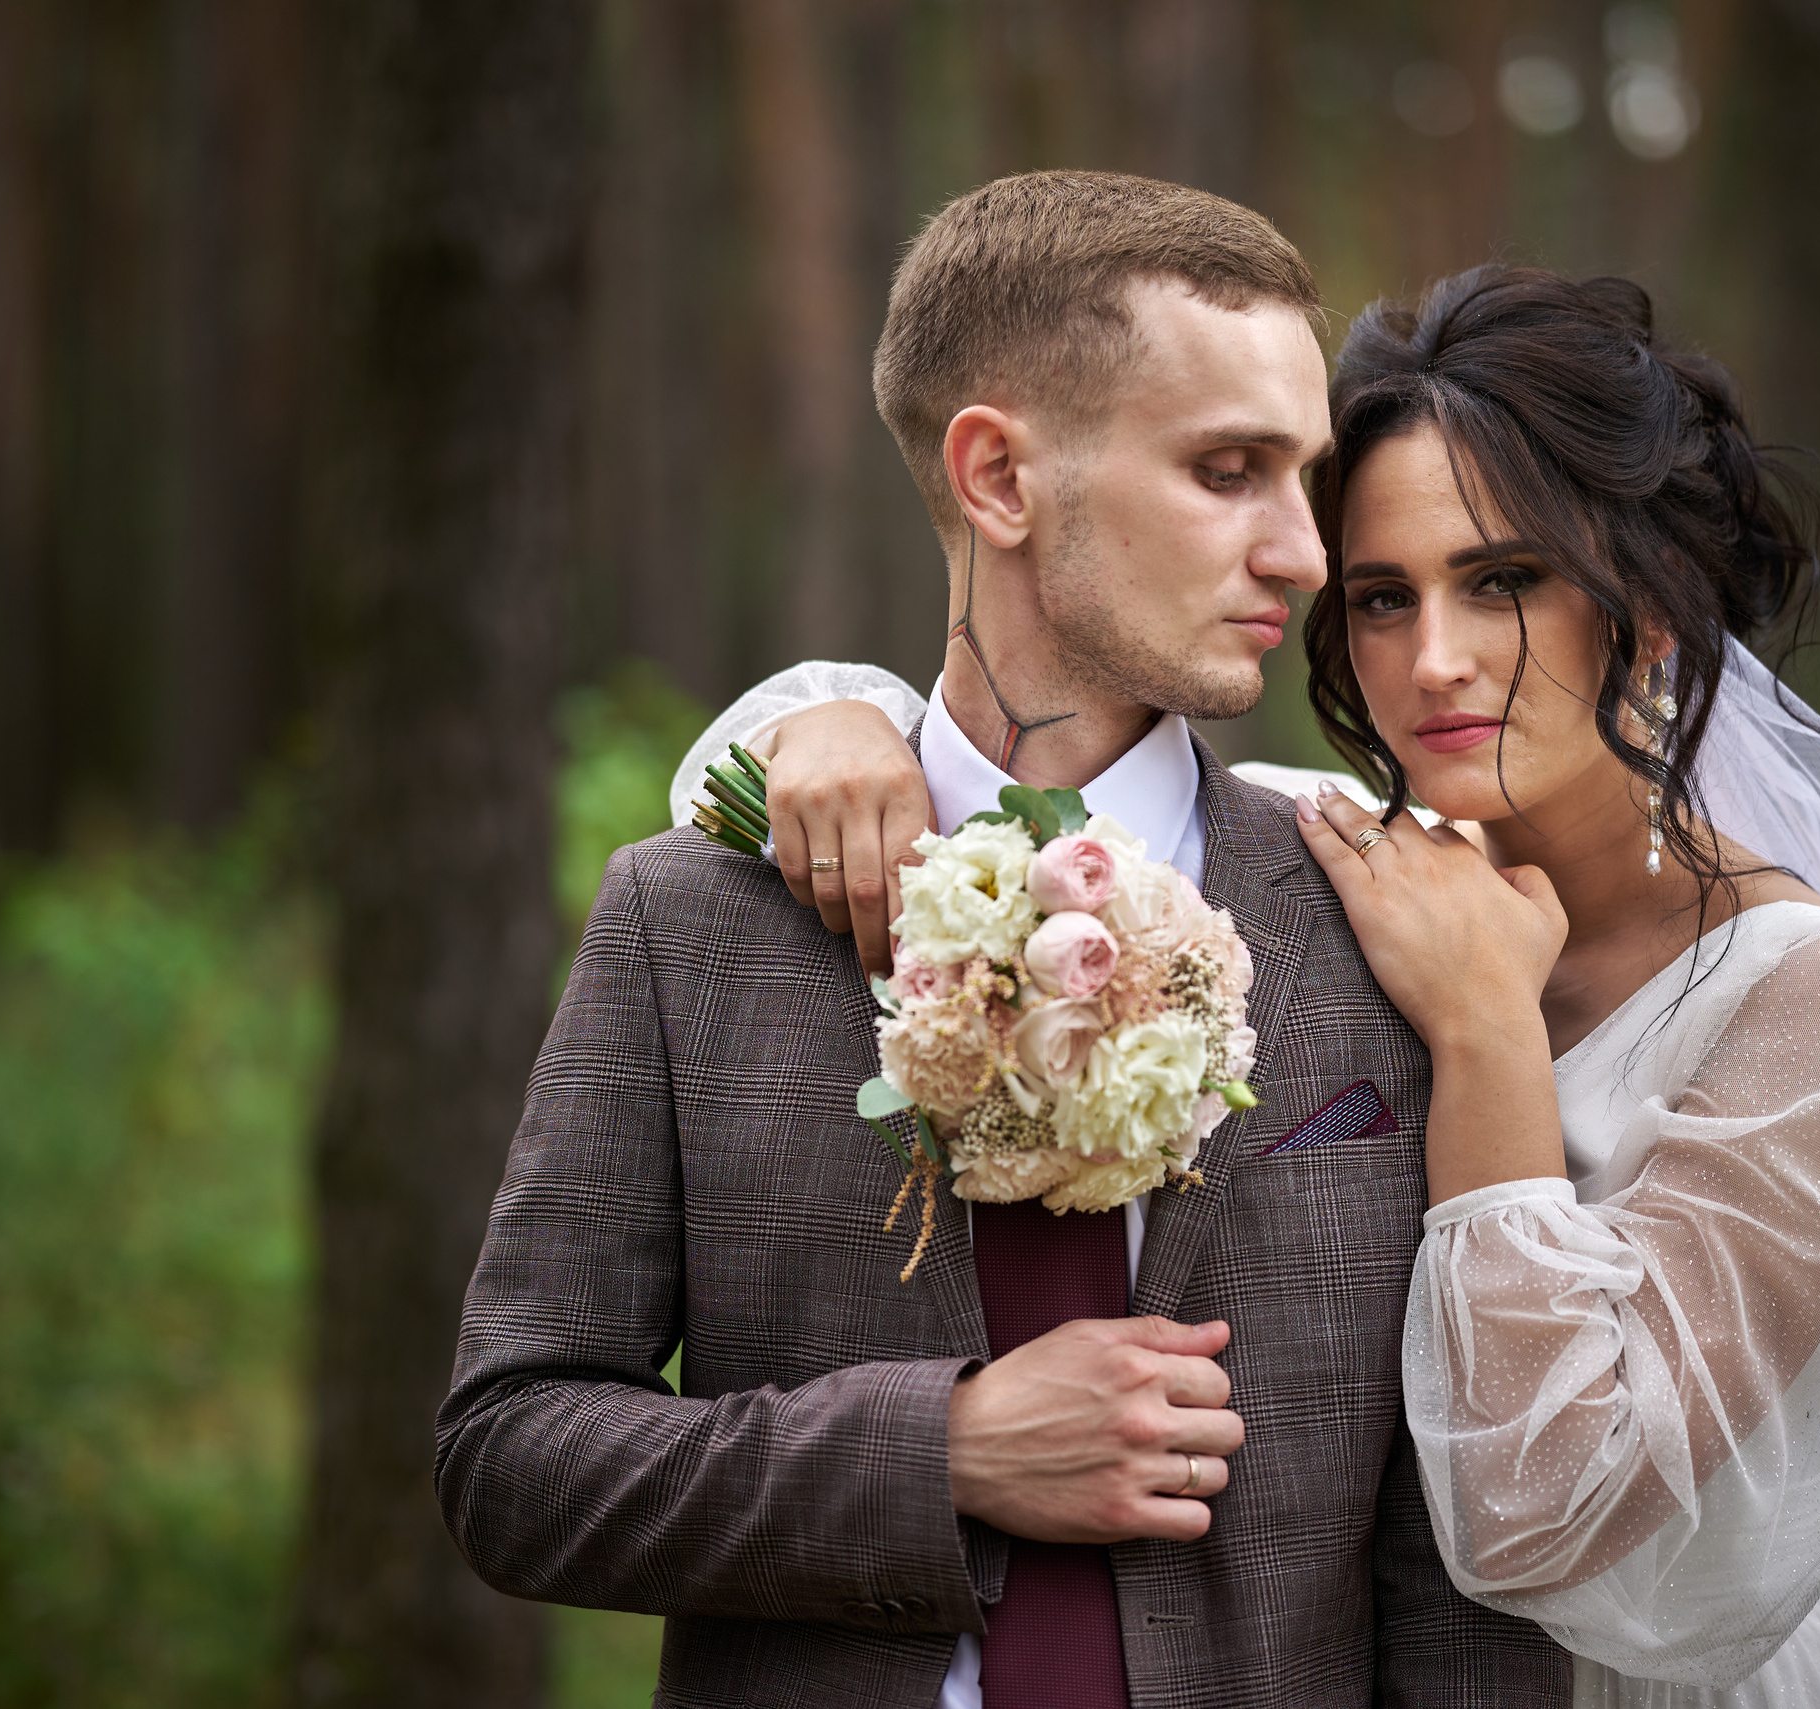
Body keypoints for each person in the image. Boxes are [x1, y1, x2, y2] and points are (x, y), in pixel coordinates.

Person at [705, 266, 1820, 1706]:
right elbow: (878, 786)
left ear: (1644, 609)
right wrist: (839, 720)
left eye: (1504, 582)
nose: (1435, 661)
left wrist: (1487, 1031)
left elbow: (1542, 1512)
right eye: (1384, 597)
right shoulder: (1330, 855)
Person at [438, 175, 1571, 1707]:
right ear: (999, 477)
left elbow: (1459, 1577)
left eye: (1300, 477)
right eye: (1227, 470)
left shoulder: (1392, 925)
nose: (1303, 553)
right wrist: (941, 1449)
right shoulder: (687, 924)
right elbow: (510, 1457)